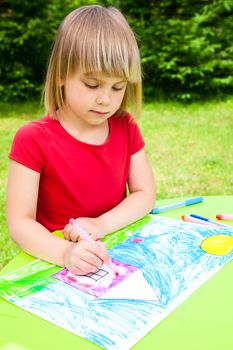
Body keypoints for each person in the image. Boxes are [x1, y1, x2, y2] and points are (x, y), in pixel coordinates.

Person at [6, 5, 156, 275]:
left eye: (118, 87)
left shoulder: (125, 127)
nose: (105, 99)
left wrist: (101, 225)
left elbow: (145, 194)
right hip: (53, 263)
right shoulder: (33, 139)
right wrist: (65, 253)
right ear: (62, 74)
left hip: (115, 253)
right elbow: (19, 222)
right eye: (92, 84)